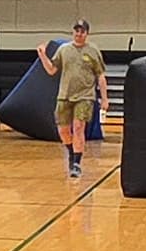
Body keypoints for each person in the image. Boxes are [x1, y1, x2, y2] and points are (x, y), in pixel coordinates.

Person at [42, 20, 106, 182]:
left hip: (85, 96)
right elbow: (51, 70)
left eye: (82, 31)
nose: (79, 34)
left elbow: (100, 75)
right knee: (63, 130)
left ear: (87, 33)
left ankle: (77, 163)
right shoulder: (64, 50)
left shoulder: (93, 51)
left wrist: (105, 98)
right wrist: (42, 55)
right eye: (76, 31)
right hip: (64, 96)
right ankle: (71, 152)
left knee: (78, 127)